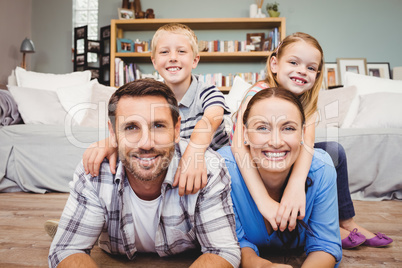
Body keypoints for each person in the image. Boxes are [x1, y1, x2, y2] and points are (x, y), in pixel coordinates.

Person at [48, 79, 240, 268]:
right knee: (78, 232)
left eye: (158, 125)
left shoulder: (207, 167)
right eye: (131, 127)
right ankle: (85, 224)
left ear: (176, 129)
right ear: (112, 133)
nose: (146, 143)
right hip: (113, 245)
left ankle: (81, 224)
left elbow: (222, 250)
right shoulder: (95, 169)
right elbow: (66, 250)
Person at [231, 32, 392, 249]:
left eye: (310, 67)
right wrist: (264, 201)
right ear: (275, 64)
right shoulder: (258, 93)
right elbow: (238, 146)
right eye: (293, 62)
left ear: (317, 73)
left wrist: (295, 187)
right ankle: (330, 228)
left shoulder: (307, 103)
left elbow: (306, 146)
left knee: (335, 150)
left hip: (285, 153)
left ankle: (346, 221)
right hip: (256, 155)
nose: (301, 71)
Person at [83, 23, 230, 196]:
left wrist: (194, 152)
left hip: (208, 161)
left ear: (195, 60)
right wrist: (111, 142)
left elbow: (211, 119)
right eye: (164, 52)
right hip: (173, 162)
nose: (173, 57)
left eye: (181, 51)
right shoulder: (151, 95)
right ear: (154, 62)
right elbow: (133, 125)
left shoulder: (207, 92)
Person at [219, 87, 342, 267]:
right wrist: (260, 265)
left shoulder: (321, 169)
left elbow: (325, 245)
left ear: (302, 133)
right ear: (244, 134)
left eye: (288, 128)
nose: (276, 142)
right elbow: (231, 242)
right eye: (262, 128)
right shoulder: (224, 170)